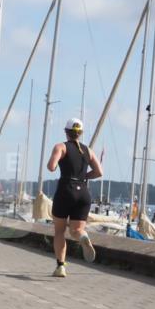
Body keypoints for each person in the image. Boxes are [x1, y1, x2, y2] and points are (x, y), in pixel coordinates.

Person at [46, 118, 103, 278]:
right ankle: (83, 236)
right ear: (81, 133)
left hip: (65, 190)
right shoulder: (88, 150)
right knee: (76, 230)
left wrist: (58, 162)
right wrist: (84, 175)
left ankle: (60, 266)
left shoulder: (61, 147)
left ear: (66, 132)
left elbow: (51, 167)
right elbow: (99, 172)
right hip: (83, 192)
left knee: (59, 231)